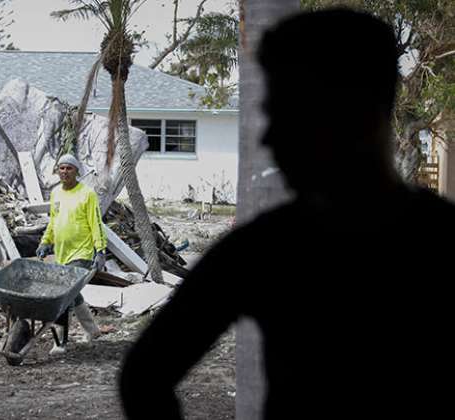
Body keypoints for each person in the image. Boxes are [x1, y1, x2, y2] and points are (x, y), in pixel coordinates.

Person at [119, 8, 455, 420]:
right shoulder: (441, 238)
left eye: (290, 116)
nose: (269, 136)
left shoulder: (269, 247)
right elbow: (142, 375)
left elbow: (143, 375)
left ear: (358, 116)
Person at [37, 153, 107, 355]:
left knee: (64, 296)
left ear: (77, 171)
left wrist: (100, 249)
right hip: (62, 254)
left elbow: (96, 223)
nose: (65, 172)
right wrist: (45, 241)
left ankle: (60, 342)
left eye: (69, 168)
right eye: (61, 168)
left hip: (82, 252)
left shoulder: (87, 194)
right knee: (73, 294)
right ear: (57, 171)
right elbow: (53, 221)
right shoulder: (56, 193)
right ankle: (92, 331)